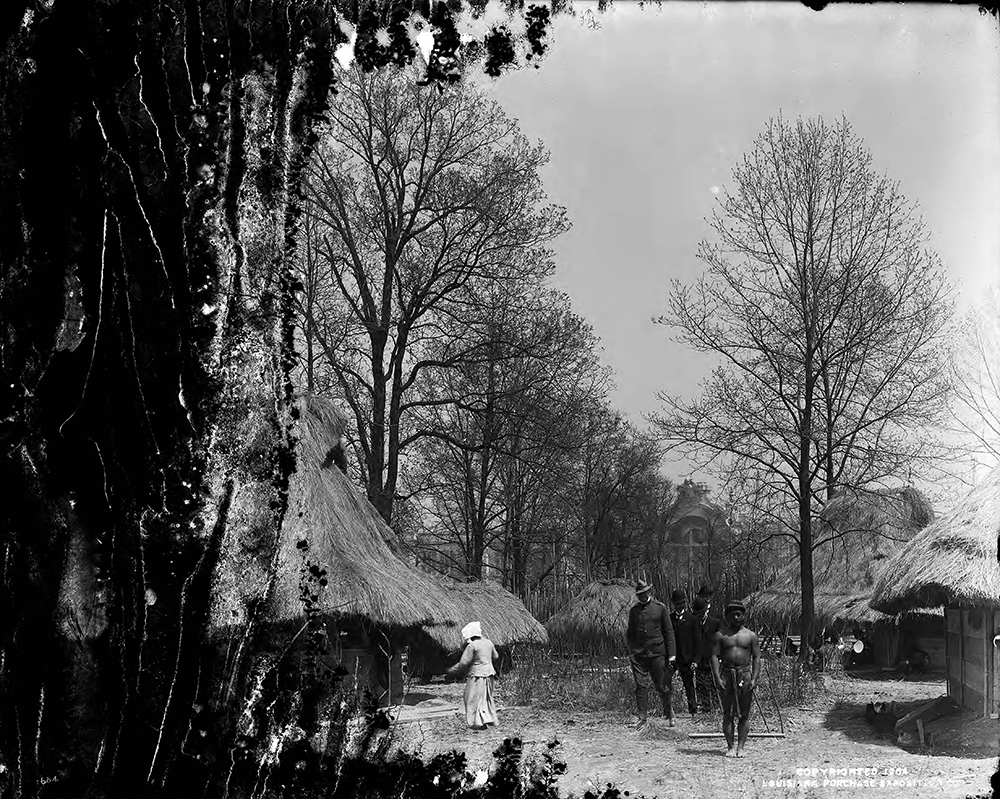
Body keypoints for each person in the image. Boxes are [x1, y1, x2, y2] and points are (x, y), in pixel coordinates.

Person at [710, 601, 761, 758]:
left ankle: (741, 747)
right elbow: (714, 656)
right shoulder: (720, 636)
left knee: (744, 714)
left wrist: (754, 678)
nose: (736, 617)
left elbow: (757, 657)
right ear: (726, 617)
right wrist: (717, 677)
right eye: (732, 615)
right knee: (728, 713)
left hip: (744, 675)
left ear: (744, 616)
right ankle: (731, 746)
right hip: (727, 674)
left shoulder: (751, 636)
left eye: (739, 614)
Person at [626, 579, 677, 725]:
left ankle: (669, 712)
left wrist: (672, 654)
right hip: (639, 654)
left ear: (649, 592)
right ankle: (642, 717)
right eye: (639, 594)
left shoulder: (660, 608)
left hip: (657, 653)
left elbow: (668, 632)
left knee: (661, 685)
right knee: (640, 685)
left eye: (644, 593)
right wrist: (631, 651)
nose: (642, 596)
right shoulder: (634, 611)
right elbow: (630, 633)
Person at [445, 621, 500, 730]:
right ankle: (486, 719)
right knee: (485, 697)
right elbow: (496, 656)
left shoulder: (472, 646)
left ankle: (476, 722)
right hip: (489, 674)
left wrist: (451, 670)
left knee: (471, 698)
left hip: (477, 675)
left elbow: (464, 662)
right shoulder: (489, 643)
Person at [687, 595, 721, 713]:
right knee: (701, 684)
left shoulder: (715, 623)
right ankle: (706, 708)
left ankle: (717, 707)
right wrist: (694, 660)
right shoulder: (693, 624)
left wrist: (720, 658)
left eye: (701, 612)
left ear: (706, 610)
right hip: (699, 659)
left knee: (714, 682)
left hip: (713, 658)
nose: (699, 615)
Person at [668, 588, 698, 716]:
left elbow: (697, 641)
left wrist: (695, 660)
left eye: (682, 603)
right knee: (666, 683)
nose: (680, 605)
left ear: (685, 602)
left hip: (687, 658)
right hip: (673, 658)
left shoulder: (692, 619)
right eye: (677, 603)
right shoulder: (669, 619)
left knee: (689, 685)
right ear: (673, 603)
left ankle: (693, 710)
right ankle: (668, 709)